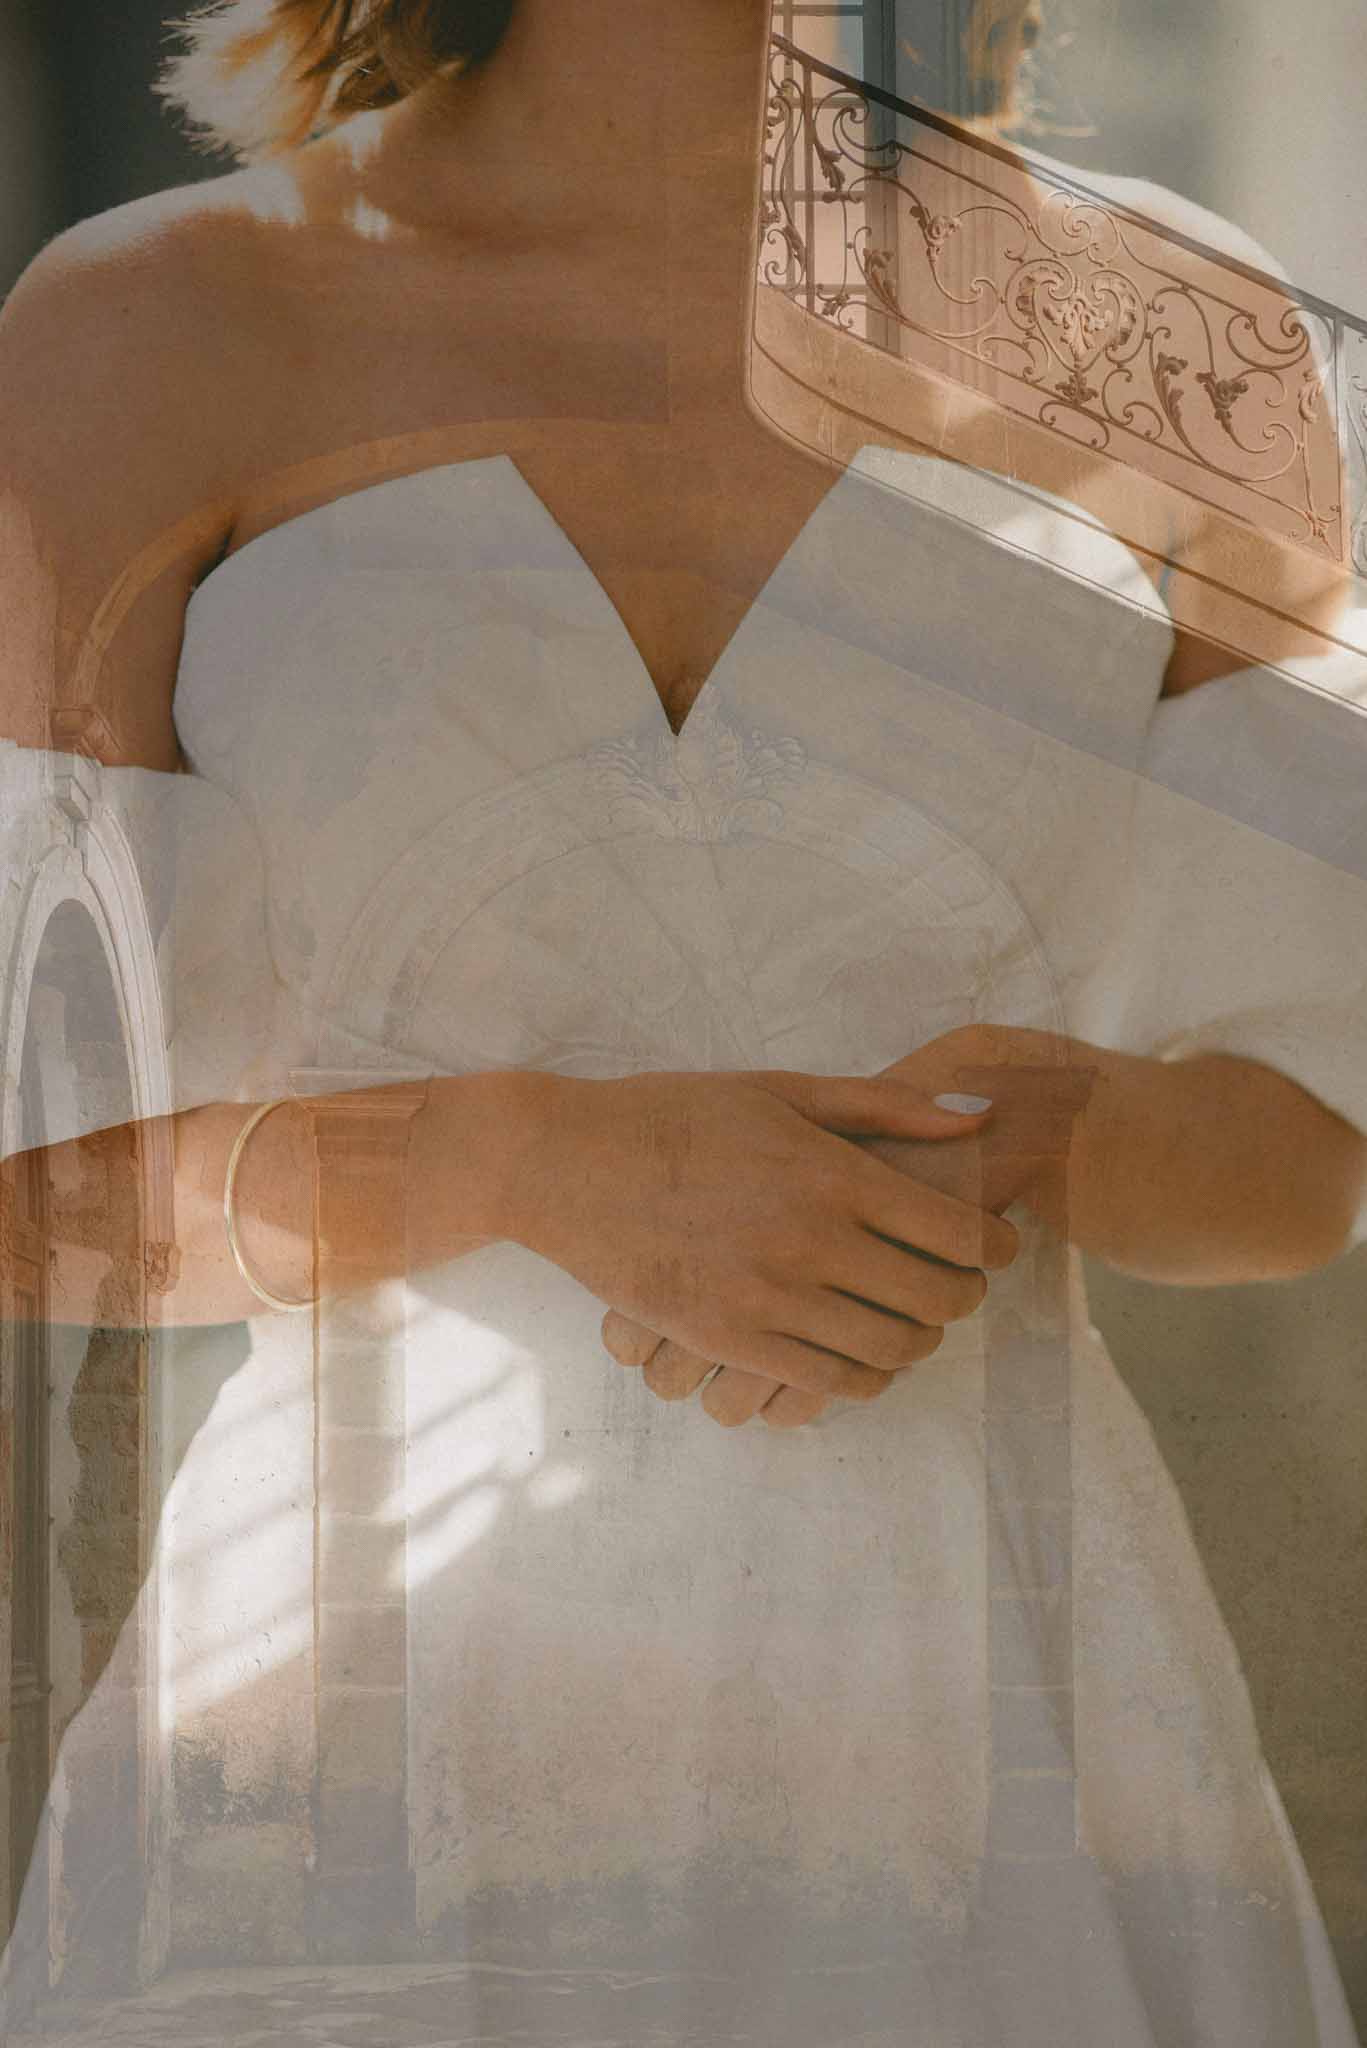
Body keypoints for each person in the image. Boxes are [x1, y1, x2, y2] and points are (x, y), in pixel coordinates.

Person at [1, 1, 1365, 2040]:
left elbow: (1306, 1147)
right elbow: (33, 1184)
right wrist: (519, 1157)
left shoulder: (1179, 329)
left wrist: (1036, 1140)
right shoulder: (142, 328)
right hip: (343, 1756)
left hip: (1007, 1743)